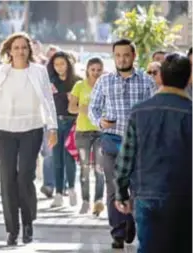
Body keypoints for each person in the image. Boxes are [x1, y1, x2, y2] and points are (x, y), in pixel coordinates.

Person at [0, 32, 57, 246]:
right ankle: (12, 229)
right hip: (3, 130)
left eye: (24, 47)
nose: (20, 51)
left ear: (29, 50)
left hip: (32, 128)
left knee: (25, 177)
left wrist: (53, 128)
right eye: (16, 47)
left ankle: (28, 222)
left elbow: (47, 99)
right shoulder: (0, 72)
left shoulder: (38, 71)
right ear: (9, 51)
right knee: (7, 179)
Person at [114, 53, 192, 253]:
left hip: (146, 193)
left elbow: (126, 156)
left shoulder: (139, 111)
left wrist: (121, 192)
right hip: (185, 196)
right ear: (189, 78)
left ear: (161, 77)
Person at [88, 39, 155, 249]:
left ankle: (131, 223)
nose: (122, 59)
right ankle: (117, 231)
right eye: (118, 55)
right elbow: (93, 108)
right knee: (113, 185)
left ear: (133, 56)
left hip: (138, 143)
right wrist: (100, 121)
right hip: (111, 139)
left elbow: (152, 110)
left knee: (135, 186)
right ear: (113, 56)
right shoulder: (104, 81)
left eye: (126, 55)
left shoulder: (146, 81)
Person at [68, 57, 105, 215]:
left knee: (99, 168)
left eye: (98, 70)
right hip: (83, 131)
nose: (95, 73)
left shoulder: (105, 86)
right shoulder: (79, 85)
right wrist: (83, 109)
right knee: (84, 168)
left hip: (100, 132)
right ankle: (85, 200)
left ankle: (98, 201)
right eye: (93, 70)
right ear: (88, 70)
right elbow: (71, 108)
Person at [46, 51, 81, 208]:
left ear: (68, 64)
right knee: (57, 159)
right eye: (56, 64)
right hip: (55, 124)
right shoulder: (50, 81)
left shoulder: (77, 81)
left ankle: (72, 189)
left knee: (69, 158)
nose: (59, 67)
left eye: (62, 64)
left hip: (73, 123)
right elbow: (47, 103)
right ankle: (58, 193)